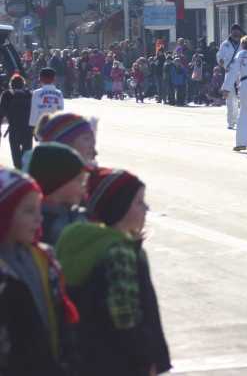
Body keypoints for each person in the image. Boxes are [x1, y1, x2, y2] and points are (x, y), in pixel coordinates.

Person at [56, 169, 171, 376]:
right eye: (139, 202)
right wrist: (145, 360)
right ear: (120, 207)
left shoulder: (81, 241)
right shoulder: (119, 251)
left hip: (88, 357)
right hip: (120, 362)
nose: (146, 208)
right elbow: (125, 316)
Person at [0, 168, 78, 376]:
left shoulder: (44, 258)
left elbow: (62, 320)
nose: (39, 218)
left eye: (39, 209)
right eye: (28, 211)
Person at [24, 143, 89, 245]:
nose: (84, 187)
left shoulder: (73, 212)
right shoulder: (45, 225)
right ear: (57, 182)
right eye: (79, 181)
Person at [0, 74, 33, 169]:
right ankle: (24, 170)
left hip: (14, 127)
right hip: (28, 128)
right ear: (23, 84)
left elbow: (1, 113)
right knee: (27, 152)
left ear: (11, 84)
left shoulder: (7, 94)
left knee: (15, 150)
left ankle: (18, 168)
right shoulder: (29, 94)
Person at [217, 24, 244, 129]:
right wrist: (221, 62)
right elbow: (219, 55)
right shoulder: (225, 44)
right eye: (234, 32)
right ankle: (230, 121)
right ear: (231, 32)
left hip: (242, 72)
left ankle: (240, 119)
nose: (236, 34)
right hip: (229, 71)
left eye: (238, 32)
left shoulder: (244, 43)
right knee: (230, 97)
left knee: (242, 97)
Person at [29, 68, 64, 132]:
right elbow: (61, 110)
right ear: (54, 79)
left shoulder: (36, 93)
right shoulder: (59, 93)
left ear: (40, 79)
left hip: (41, 126)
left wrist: (32, 126)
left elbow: (34, 111)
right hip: (55, 125)